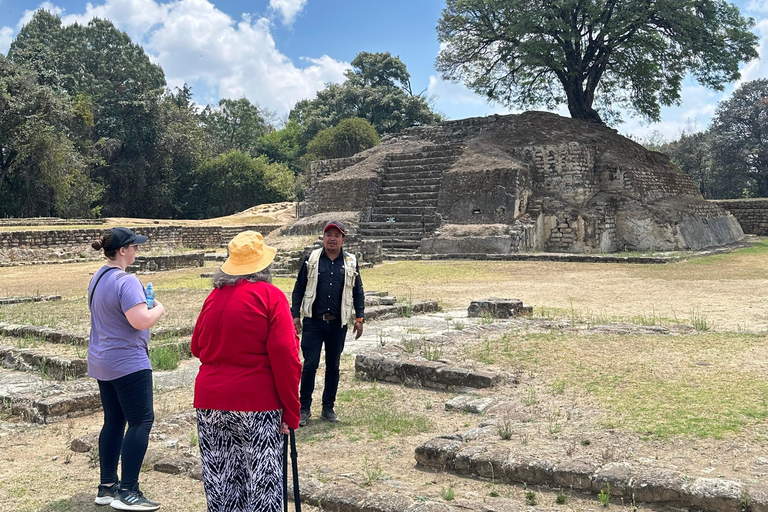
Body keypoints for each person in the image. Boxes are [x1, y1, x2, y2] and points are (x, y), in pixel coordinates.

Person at [191, 231, 302, 512]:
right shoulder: (270, 297)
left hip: (210, 401)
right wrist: (291, 410)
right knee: (262, 486)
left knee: (222, 483)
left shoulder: (214, 297)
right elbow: (287, 357)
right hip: (257, 403)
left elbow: (197, 347)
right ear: (264, 266)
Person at [88, 227, 165, 511]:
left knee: (114, 421)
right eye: (134, 246)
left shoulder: (98, 277)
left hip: (102, 360)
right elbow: (140, 320)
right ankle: (128, 491)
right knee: (141, 421)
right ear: (122, 250)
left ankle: (107, 486)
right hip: (128, 362)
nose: (137, 251)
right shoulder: (127, 280)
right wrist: (159, 307)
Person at [291, 220, 365, 427]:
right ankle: (303, 408)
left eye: (336, 235)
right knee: (310, 364)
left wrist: (359, 318)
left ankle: (328, 408)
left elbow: (357, 290)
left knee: (333, 366)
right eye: (328, 235)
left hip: (338, 323)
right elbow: (299, 288)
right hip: (314, 321)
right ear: (323, 238)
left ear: (343, 239)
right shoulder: (311, 259)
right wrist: (295, 314)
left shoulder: (350, 261)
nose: (332, 239)